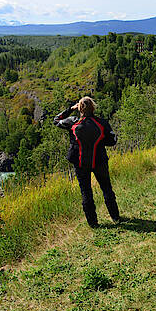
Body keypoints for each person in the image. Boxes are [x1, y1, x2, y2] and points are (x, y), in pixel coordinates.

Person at [53, 96, 120, 228]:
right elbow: (112, 141)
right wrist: (100, 142)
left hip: (80, 163)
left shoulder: (73, 121)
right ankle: (115, 217)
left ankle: (93, 223)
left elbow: (56, 120)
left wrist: (70, 109)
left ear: (79, 108)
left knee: (86, 191)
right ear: (93, 107)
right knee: (106, 188)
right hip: (99, 160)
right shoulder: (102, 122)